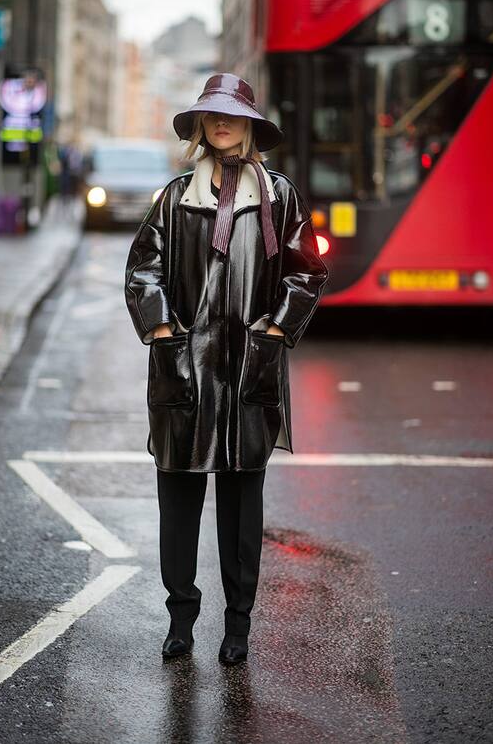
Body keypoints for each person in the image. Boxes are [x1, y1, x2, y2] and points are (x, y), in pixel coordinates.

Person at [124, 73, 329, 665]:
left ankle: (237, 627)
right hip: (182, 373)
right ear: (201, 127)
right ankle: (181, 620)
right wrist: (164, 333)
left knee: (243, 511)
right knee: (179, 503)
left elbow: (307, 271)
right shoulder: (173, 198)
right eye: (211, 115)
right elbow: (143, 272)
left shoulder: (280, 197)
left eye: (232, 115)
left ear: (249, 126)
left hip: (248, 373)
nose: (221, 123)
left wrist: (274, 330)